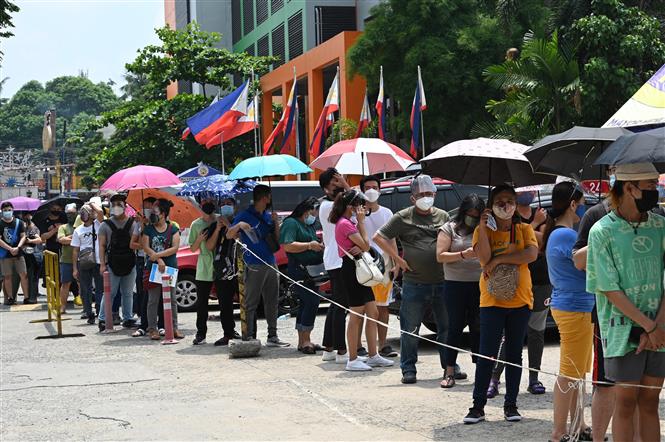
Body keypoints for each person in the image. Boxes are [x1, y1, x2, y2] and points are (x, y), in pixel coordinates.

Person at [586, 163, 665, 442]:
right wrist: (647, 326)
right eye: (650, 186)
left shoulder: (660, 226)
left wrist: (657, 326)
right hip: (621, 330)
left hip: (659, 329)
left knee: (650, 401)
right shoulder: (602, 231)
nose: (655, 191)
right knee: (626, 402)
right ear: (629, 188)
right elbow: (608, 288)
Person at [463, 184, 538, 424]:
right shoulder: (480, 231)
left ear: (516, 204)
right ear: (491, 206)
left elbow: (530, 255)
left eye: (510, 200)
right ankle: (477, 407)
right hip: (491, 301)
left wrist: (500, 260)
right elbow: (484, 258)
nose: (505, 205)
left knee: (514, 355)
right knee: (486, 354)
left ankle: (511, 405)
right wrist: (483, 229)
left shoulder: (525, 229)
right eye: (500, 201)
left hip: (521, 301)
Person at [374, 175, 450, 384]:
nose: (426, 198)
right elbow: (379, 237)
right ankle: (408, 368)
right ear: (413, 198)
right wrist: (398, 258)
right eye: (421, 195)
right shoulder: (403, 217)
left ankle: (450, 367)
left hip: (442, 281)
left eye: (429, 194)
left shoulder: (443, 216)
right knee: (410, 329)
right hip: (415, 282)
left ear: (434, 194)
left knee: (446, 328)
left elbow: (453, 238)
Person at [544, 182, 594, 441]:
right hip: (574, 307)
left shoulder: (561, 233)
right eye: (582, 202)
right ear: (573, 204)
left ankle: (579, 425)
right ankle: (559, 431)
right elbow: (584, 262)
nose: (584, 207)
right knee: (568, 372)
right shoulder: (564, 235)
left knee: (577, 371)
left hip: (578, 306)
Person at [489, 190, 549, 397]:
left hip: (541, 281)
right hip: (512, 281)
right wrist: (534, 228)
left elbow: (543, 243)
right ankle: (495, 378)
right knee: (510, 335)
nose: (528, 193)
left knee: (537, 332)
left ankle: (534, 378)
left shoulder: (542, 212)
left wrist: (530, 235)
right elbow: (517, 246)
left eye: (531, 190)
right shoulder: (510, 217)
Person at [330, 189, 394, 371]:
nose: (363, 209)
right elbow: (366, 244)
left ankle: (373, 354)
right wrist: (362, 223)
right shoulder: (345, 224)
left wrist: (360, 234)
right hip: (353, 271)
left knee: (372, 312)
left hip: (360, 269)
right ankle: (352, 358)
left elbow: (363, 246)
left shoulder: (348, 222)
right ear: (351, 206)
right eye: (360, 205)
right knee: (356, 315)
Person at [232, 184, 289, 347]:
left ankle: (273, 336)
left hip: (271, 261)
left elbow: (277, 240)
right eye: (269, 196)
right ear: (264, 198)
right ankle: (249, 336)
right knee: (251, 302)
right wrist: (239, 226)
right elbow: (230, 234)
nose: (271, 200)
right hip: (254, 264)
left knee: (272, 300)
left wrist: (276, 224)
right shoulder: (244, 215)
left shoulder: (268, 215)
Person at [436, 194, 484, 388]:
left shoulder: (485, 229)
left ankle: (481, 370)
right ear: (463, 212)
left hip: (480, 284)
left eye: (476, 214)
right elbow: (440, 256)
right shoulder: (449, 228)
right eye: (469, 214)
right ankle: (449, 370)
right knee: (454, 328)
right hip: (455, 284)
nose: (472, 218)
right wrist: (463, 254)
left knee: (479, 327)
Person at [191, 197, 246, 346]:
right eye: (223, 204)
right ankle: (226, 333)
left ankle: (248, 333)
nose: (226, 207)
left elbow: (238, 238)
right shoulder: (213, 225)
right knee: (224, 304)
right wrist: (217, 228)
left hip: (240, 268)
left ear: (235, 206)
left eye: (229, 204)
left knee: (246, 302)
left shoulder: (240, 221)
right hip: (221, 270)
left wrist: (228, 225)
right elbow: (209, 246)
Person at [279, 197, 325, 354]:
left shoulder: (309, 224)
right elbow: (288, 245)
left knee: (307, 303)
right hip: (298, 270)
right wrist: (309, 245)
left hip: (311, 270)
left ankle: (304, 340)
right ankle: (305, 340)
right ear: (307, 210)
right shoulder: (291, 223)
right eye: (315, 211)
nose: (316, 215)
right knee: (311, 301)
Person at [318, 168, 355, 363]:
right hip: (337, 260)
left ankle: (329, 347)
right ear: (326, 189)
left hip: (340, 259)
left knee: (337, 304)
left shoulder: (338, 204)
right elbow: (355, 200)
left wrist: (343, 184)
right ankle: (341, 350)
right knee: (341, 305)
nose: (339, 186)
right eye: (334, 184)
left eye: (339, 182)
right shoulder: (326, 206)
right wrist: (346, 186)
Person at [360, 175, 398, 358]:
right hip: (364, 265)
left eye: (374, 187)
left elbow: (392, 239)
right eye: (367, 187)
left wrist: (396, 262)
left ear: (380, 190)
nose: (371, 190)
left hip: (384, 264)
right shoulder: (356, 214)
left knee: (383, 307)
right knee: (365, 307)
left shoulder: (387, 213)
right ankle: (364, 347)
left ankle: (383, 345)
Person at [142, 198, 183, 340]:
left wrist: (158, 255)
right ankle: (152, 328)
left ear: (164, 213)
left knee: (172, 299)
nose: (153, 214)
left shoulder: (173, 228)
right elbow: (146, 247)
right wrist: (158, 260)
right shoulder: (148, 229)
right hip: (153, 269)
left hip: (170, 268)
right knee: (153, 300)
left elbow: (175, 247)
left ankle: (174, 327)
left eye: (156, 211)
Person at [98, 193, 140, 330]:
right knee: (110, 292)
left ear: (125, 206)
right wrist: (102, 264)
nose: (116, 207)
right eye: (114, 205)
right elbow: (102, 246)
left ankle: (128, 318)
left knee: (128, 292)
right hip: (112, 263)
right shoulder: (105, 225)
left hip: (130, 262)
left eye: (119, 205)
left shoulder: (133, 223)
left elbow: (138, 241)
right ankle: (102, 319)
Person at [131, 197, 164, 337]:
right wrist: (146, 245)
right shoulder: (141, 225)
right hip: (146, 263)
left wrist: (154, 252)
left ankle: (163, 324)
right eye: (143, 207)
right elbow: (133, 244)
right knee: (146, 296)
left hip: (162, 263)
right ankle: (145, 325)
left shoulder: (167, 225)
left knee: (163, 296)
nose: (147, 209)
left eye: (149, 207)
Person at [71, 203, 104, 325]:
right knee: (85, 289)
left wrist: (91, 205)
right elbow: (75, 250)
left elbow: (100, 213)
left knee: (100, 288)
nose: (84, 214)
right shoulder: (78, 230)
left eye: (86, 212)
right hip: (84, 262)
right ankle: (88, 312)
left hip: (98, 261)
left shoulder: (98, 225)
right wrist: (74, 268)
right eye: (82, 212)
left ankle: (100, 311)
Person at [0, 202, 29, 305]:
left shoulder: (19, 223)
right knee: (7, 276)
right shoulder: (0, 223)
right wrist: (10, 248)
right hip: (5, 254)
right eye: (5, 210)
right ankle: (11, 297)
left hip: (19, 254)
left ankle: (26, 297)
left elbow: (23, 236)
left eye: (9, 210)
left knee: (23, 274)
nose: (7, 212)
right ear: (2, 211)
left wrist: (18, 247)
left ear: (12, 210)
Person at [56, 203, 78, 313]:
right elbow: (61, 240)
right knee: (65, 284)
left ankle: (86, 308)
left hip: (81, 260)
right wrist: (75, 239)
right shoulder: (63, 227)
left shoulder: (81, 226)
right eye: (68, 214)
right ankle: (63, 306)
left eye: (73, 213)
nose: (70, 216)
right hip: (66, 260)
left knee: (83, 284)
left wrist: (68, 239)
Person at [21, 211, 42, 304]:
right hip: (25, 255)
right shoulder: (21, 228)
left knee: (33, 277)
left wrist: (29, 240)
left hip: (35, 255)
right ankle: (29, 296)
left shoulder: (34, 228)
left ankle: (32, 297)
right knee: (28, 276)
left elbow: (39, 240)